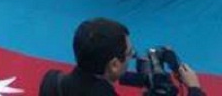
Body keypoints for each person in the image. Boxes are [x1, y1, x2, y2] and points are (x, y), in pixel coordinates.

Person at [39, 18, 205, 96]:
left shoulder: (51, 81)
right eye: (130, 54)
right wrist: (194, 89)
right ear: (114, 65)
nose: (133, 58)